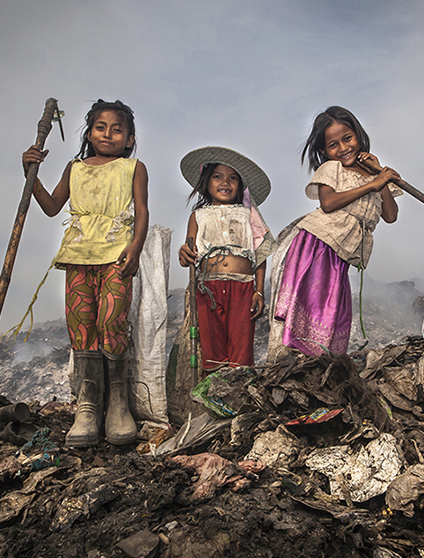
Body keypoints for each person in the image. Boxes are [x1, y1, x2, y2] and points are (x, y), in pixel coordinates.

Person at [21, 99, 149, 447]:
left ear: (129, 139)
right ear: (89, 133)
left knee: (111, 321)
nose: (108, 134)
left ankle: (118, 405)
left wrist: (135, 248)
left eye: (117, 129)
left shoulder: (133, 168)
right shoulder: (75, 168)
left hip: (117, 255)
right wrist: (30, 175)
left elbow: (141, 211)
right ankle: (88, 407)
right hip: (79, 255)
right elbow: (51, 207)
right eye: (100, 127)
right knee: (82, 325)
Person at [267, 106, 401, 359]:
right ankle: (299, 363)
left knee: (332, 310)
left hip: (340, 253)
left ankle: (319, 364)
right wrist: (374, 184)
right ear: (324, 152)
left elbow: (390, 216)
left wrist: (379, 174)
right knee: (314, 307)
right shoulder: (332, 168)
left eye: (347, 138)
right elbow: (328, 203)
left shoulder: (375, 175)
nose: (343, 148)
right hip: (317, 244)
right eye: (333, 145)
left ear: (359, 135)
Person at [178, 146, 276, 372]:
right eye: (217, 176)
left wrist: (259, 291)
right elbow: (188, 255)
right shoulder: (197, 216)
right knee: (211, 347)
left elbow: (261, 254)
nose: (225, 182)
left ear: (241, 186)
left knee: (241, 347)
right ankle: (214, 391)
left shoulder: (249, 214)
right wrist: (184, 253)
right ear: (206, 182)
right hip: (208, 290)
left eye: (233, 178)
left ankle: (240, 390)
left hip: (242, 288)